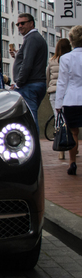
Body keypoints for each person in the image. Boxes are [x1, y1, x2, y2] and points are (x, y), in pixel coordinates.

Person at [12, 13, 48, 135]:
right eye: (18, 24)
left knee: (30, 119)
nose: (19, 26)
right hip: (35, 84)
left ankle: (34, 150)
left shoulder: (31, 38)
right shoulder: (34, 38)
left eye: (23, 23)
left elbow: (27, 64)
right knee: (29, 118)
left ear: (31, 23)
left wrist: (18, 83)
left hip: (29, 86)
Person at [55, 26, 82, 175]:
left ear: (71, 40)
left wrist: (58, 104)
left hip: (71, 99)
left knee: (73, 132)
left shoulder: (65, 58)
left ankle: (72, 162)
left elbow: (62, 82)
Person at [47, 38, 72, 160]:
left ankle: (61, 149)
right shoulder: (70, 59)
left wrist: (49, 88)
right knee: (70, 120)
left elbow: (48, 77)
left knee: (58, 119)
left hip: (54, 92)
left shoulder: (51, 61)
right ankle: (73, 146)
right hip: (68, 92)